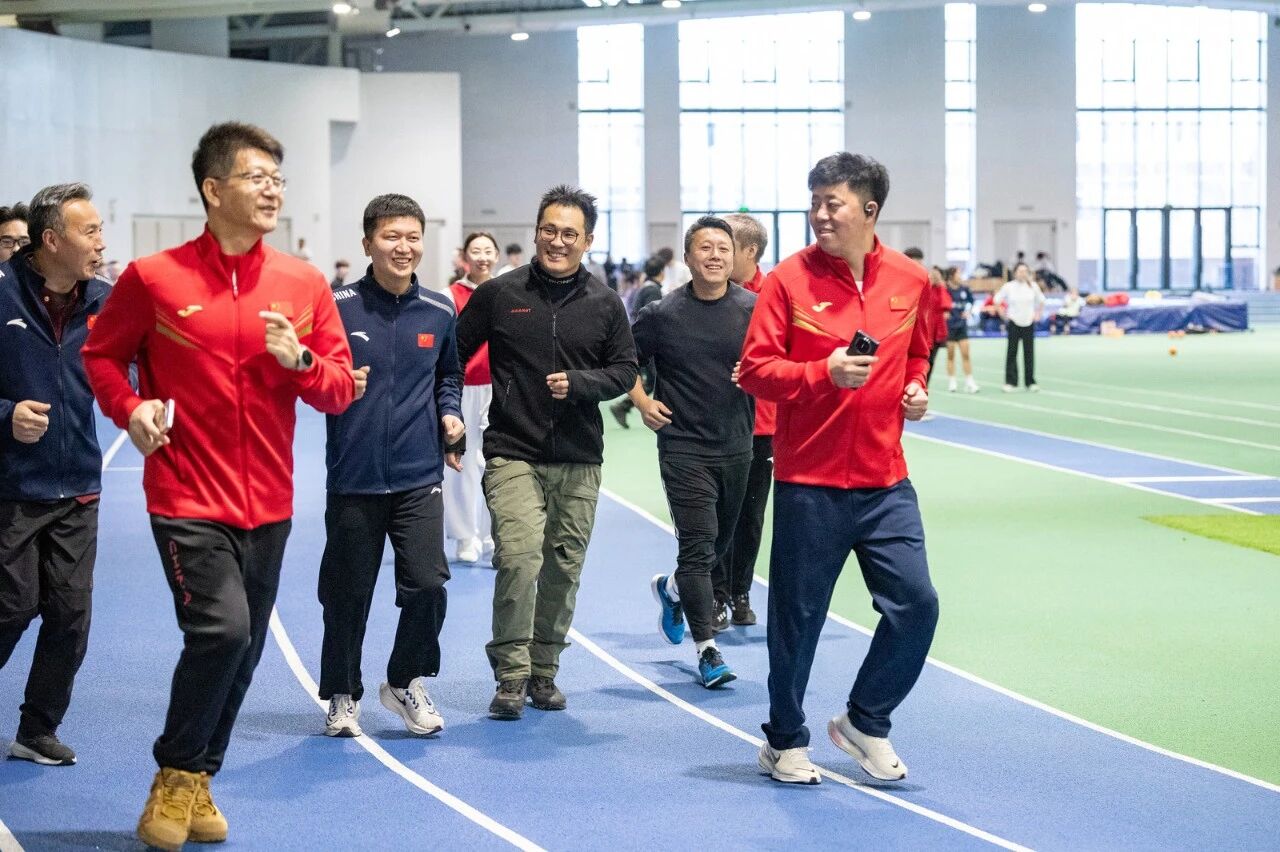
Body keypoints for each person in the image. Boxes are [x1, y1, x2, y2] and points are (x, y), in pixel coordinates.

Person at [83, 121, 355, 851]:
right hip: (185, 496)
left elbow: (338, 389)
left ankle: (201, 776)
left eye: (278, 180)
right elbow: (101, 357)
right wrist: (131, 408)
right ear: (213, 189)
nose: (272, 191)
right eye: (256, 177)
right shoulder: (153, 278)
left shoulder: (303, 283)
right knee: (221, 630)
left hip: (270, 502)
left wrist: (300, 360)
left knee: (247, 647)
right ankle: (174, 774)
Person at [740, 152, 938, 787]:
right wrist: (821, 372)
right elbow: (756, 371)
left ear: (869, 210)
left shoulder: (911, 279)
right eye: (815, 202)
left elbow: (918, 353)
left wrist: (916, 388)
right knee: (797, 621)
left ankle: (865, 721)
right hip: (809, 483)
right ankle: (783, 741)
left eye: (833, 203)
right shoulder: (786, 281)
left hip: (886, 481)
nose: (819, 214)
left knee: (917, 606)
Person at [456, 185, 636, 721]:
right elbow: (453, 355)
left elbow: (625, 370)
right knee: (517, 557)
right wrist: (445, 413)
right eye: (549, 230)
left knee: (562, 568)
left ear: (588, 240)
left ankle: (544, 670)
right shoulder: (499, 294)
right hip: (513, 450)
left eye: (569, 234)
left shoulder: (605, 303)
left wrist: (581, 383)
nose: (558, 241)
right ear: (536, 232)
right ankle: (511, 674)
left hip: (579, 457)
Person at [319, 194, 463, 740]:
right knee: (346, 594)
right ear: (367, 244)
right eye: (391, 237)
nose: (403, 247)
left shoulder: (439, 310)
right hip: (354, 476)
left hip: (418, 475)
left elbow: (448, 375)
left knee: (428, 586)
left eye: (412, 237)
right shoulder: (337, 306)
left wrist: (450, 413)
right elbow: (313, 377)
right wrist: (336, 384)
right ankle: (342, 693)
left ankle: (404, 681)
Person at [0, 183, 108, 767]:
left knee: (70, 615)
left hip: (78, 485)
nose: (101, 242)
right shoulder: (1, 294)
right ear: (51, 241)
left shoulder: (106, 301)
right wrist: (6, 415)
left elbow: (142, 364)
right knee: (11, 607)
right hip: (12, 487)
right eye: (89, 231)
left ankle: (36, 730)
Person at [629, 216, 755, 689]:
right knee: (699, 546)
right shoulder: (662, 314)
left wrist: (758, 372)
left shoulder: (753, 309)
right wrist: (642, 402)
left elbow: (780, 360)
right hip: (682, 446)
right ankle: (707, 650)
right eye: (705, 247)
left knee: (718, 546)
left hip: (737, 445)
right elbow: (623, 361)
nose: (715, 255)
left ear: (734, 256)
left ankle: (672, 588)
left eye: (723, 247)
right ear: (687, 257)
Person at [711, 212, 771, 629]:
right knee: (716, 516)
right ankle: (714, 595)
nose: (717, 254)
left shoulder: (775, 295)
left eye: (725, 246)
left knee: (751, 516)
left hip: (763, 425)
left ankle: (740, 591)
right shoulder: (708, 291)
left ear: (748, 251)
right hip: (715, 423)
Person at [444, 231, 500, 564]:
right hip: (462, 387)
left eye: (487, 250)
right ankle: (466, 536)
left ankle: (494, 535)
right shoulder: (450, 296)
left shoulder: (507, 291)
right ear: (465, 257)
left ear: (496, 256)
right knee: (461, 460)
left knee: (497, 462)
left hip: (500, 387)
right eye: (475, 251)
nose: (482, 257)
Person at [608, 255, 664, 428]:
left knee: (650, 380)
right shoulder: (653, 290)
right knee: (652, 380)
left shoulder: (643, 287)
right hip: (649, 342)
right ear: (661, 272)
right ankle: (623, 406)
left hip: (638, 338)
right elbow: (653, 318)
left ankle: (623, 406)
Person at [994, 262, 1045, 392]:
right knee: (1012, 352)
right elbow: (997, 299)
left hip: (1028, 322)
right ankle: (1011, 381)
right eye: (1020, 271)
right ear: (1015, 272)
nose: (1022, 273)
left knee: (1029, 353)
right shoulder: (1009, 286)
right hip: (1014, 322)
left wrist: (1038, 314)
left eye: (1025, 271)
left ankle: (1030, 381)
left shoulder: (1033, 286)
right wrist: (1002, 313)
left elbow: (1042, 300)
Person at [943, 266, 979, 393]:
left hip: (962, 326)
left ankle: (969, 381)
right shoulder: (945, 290)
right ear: (951, 276)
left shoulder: (964, 289)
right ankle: (952, 381)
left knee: (966, 354)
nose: (960, 276)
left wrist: (968, 311)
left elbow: (972, 302)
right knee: (951, 355)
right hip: (949, 327)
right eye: (958, 274)